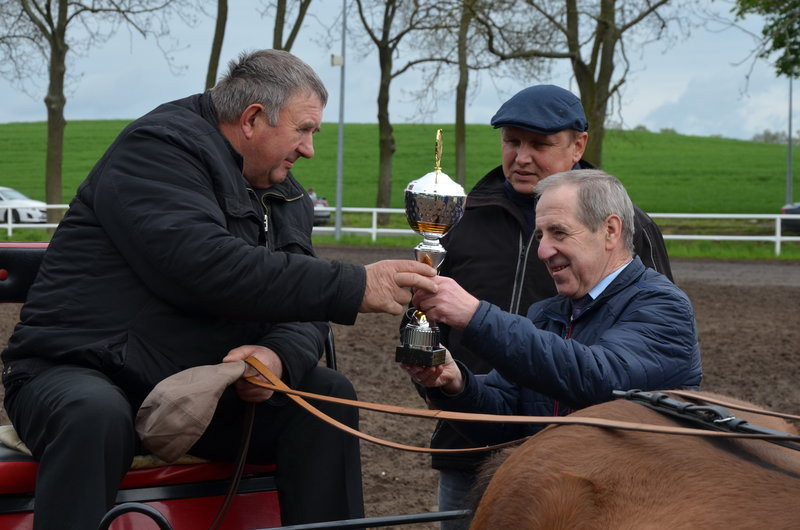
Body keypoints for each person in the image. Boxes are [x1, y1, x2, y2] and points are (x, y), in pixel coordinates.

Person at [0, 49, 436, 530]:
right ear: (252, 119)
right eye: (304, 129)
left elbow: (302, 307)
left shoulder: (284, 191)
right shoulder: (157, 149)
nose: (310, 148)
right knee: (95, 415)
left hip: (198, 389)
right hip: (79, 369)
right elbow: (203, 266)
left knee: (324, 395)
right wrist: (355, 283)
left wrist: (276, 357)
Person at [419, 84, 674, 525]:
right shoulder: (459, 218)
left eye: (539, 143)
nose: (521, 157)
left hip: (587, 470)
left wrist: (477, 317)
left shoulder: (636, 236)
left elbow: (618, 364)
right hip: (470, 448)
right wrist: (447, 381)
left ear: (578, 145)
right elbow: (428, 320)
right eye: (512, 141)